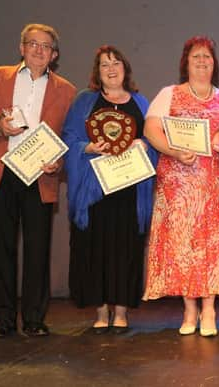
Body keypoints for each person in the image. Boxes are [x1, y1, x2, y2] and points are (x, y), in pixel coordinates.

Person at [142, 36, 219, 337]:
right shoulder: (169, 94)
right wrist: (174, 151)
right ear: (185, 63)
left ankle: (210, 309)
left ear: (214, 63)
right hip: (177, 188)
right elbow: (151, 128)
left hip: (213, 189)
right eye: (196, 57)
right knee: (183, 248)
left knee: (211, 248)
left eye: (207, 57)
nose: (202, 62)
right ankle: (189, 310)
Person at [0, 23, 76, 338]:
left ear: (54, 55)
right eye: (32, 43)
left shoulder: (67, 91)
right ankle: (3, 321)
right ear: (21, 48)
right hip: (1, 174)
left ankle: (34, 319)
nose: (38, 50)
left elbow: (69, 138)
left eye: (45, 46)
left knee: (37, 250)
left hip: (39, 177)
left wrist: (59, 161)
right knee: (1, 250)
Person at [62, 45, 158, 334]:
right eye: (105, 65)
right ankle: (101, 310)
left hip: (129, 191)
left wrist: (145, 144)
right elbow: (69, 138)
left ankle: (121, 312)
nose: (111, 68)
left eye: (116, 63)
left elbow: (155, 140)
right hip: (94, 192)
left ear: (125, 69)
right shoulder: (84, 102)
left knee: (126, 249)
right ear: (97, 72)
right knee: (95, 248)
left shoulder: (141, 103)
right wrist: (88, 147)